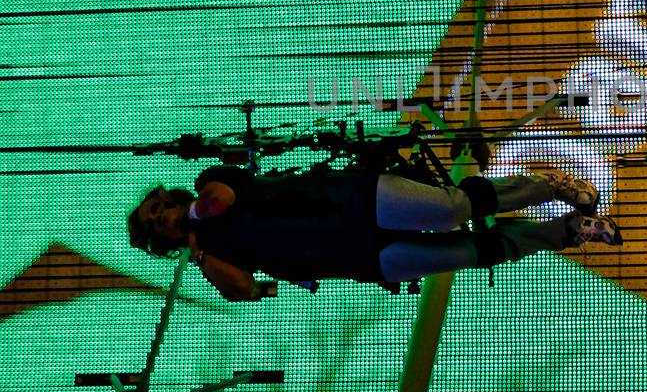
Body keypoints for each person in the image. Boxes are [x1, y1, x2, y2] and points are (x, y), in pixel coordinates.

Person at [127, 162, 621, 299]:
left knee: (451, 209)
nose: (161, 217)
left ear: (170, 200)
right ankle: (568, 231)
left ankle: (544, 186)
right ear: (161, 243)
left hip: (355, 200)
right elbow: (242, 289)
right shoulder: (207, 255)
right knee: (468, 254)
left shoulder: (206, 185)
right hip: (357, 258)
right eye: (156, 225)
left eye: (157, 209)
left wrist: (191, 219)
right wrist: (199, 254)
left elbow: (222, 200)